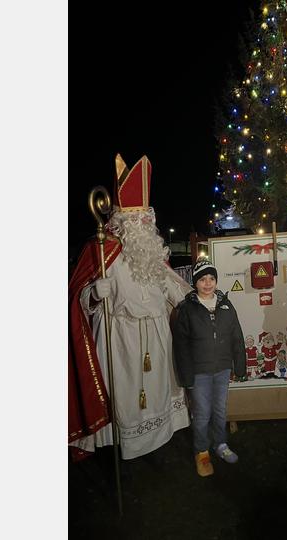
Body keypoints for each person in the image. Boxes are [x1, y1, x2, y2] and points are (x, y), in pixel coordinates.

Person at [69, 154, 191, 461]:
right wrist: (95, 292)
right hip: (119, 335)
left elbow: (171, 284)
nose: (142, 224)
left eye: (144, 218)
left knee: (159, 386)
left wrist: (196, 302)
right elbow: (78, 298)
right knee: (123, 392)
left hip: (156, 331)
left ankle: (159, 435)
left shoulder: (152, 249)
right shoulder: (100, 248)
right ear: (122, 220)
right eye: (135, 219)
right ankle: (123, 440)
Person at [172, 259, 246, 477]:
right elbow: (181, 345)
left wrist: (239, 365)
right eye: (202, 279)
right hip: (199, 372)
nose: (207, 283)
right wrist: (186, 376)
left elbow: (237, 336)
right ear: (195, 283)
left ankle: (220, 445)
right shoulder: (187, 309)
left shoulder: (225, 304)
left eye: (211, 278)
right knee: (202, 414)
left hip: (222, 368)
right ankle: (202, 451)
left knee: (220, 411)